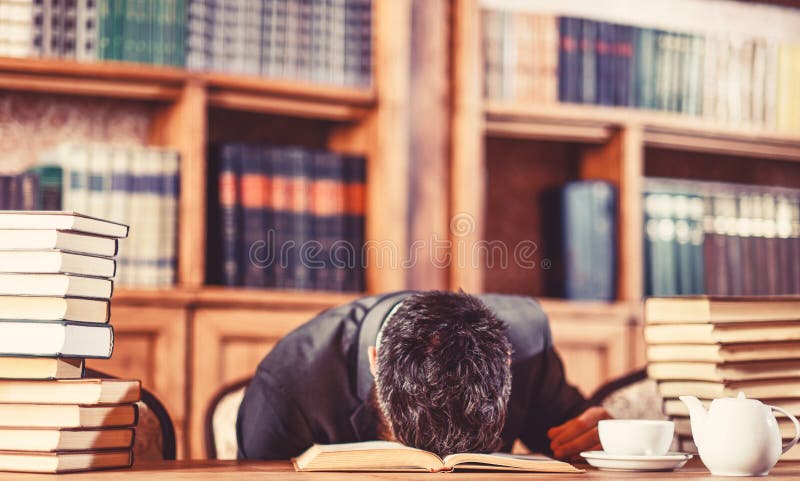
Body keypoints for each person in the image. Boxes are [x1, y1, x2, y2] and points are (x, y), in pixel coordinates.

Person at [236, 290, 609, 461]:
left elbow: (574, 434)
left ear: (506, 362)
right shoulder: (287, 388)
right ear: (375, 363)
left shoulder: (527, 343)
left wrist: (604, 439)